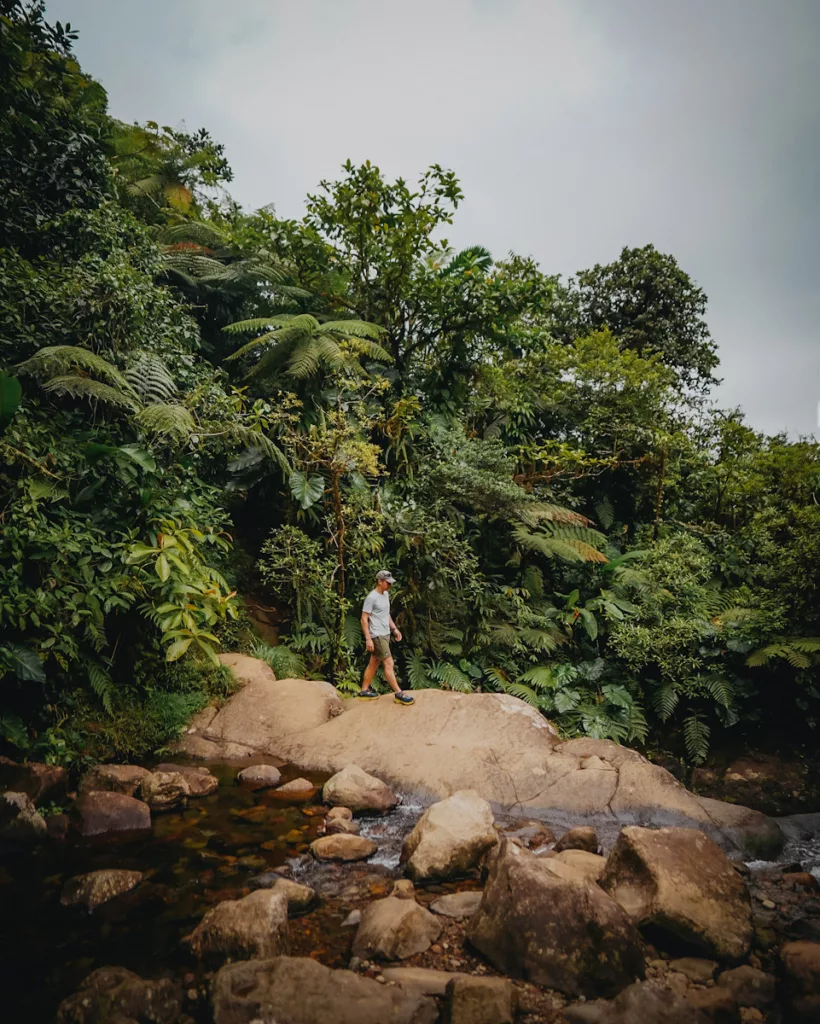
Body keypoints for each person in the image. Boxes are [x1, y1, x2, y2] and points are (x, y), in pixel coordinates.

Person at [358, 569, 415, 705]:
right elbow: (364, 619)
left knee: (374, 662)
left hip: (385, 633)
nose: (390, 585)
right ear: (380, 581)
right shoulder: (371, 598)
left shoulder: (385, 594)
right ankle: (398, 693)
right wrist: (368, 638)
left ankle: (364, 690)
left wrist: (394, 628)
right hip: (376, 635)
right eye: (387, 583)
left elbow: (386, 614)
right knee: (389, 663)